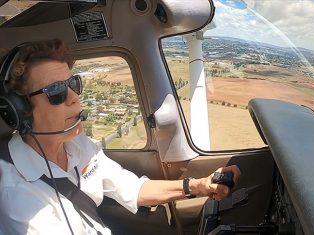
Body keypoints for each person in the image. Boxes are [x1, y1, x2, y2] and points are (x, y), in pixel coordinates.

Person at [0, 39, 241, 235]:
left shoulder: (78, 145)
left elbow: (132, 188)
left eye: (73, 83)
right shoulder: (15, 192)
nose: (74, 97)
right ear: (19, 110)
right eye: (56, 91)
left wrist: (198, 185)